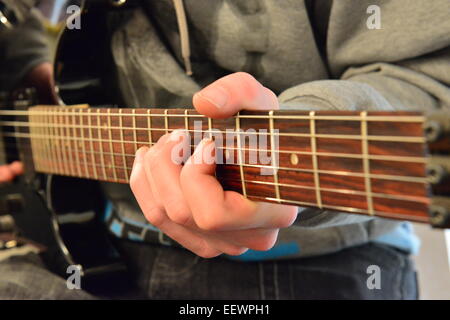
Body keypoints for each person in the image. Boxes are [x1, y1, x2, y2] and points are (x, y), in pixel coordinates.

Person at [1, 0, 450, 299]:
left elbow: (428, 76)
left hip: (317, 263)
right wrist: (20, 71)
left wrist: (287, 131)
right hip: (81, 241)